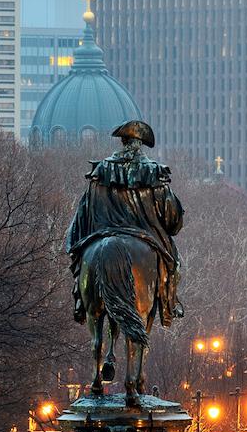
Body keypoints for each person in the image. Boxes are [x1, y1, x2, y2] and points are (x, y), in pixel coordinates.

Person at [66, 120, 185, 326]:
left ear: (123, 142)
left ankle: (80, 298)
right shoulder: (154, 173)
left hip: (101, 233)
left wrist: (77, 243)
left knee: (83, 259)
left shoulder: (100, 170)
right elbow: (172, 218)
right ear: (140, 144)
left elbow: (82, 213)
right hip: (144, 235)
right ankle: (170, 305)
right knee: (174, 264)